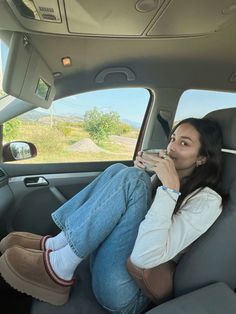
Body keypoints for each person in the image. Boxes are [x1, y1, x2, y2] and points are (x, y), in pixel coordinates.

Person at [0, 117, 223, 314]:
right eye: (173, 138)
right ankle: (59, 244)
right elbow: (137, 220)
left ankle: (60, 268)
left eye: (184, 143)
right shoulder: (170, 178)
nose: (172, 147)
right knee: (120, 170)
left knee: (133, 179)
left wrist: (169, 190)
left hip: (128, 292)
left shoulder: (208, 201)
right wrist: (147, 175)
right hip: (114, 263)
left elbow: (145, 258)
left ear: (202, 158)